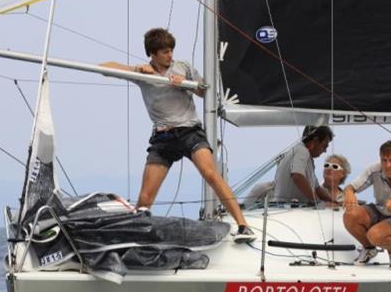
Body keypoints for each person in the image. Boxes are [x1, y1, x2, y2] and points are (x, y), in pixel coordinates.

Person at [101, 27, 255, 243]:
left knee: (210, 173)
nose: (170, 55)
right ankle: (136, 236)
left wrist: (186, 85)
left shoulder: (183, 67)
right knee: (145, 197)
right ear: (152, 54)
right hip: (163, 137)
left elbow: (205, 91)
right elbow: (104, 68)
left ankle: (243, 225)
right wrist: (137, 68)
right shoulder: (143, 73)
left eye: (171, 50)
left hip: (190, 131)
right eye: (164, 52)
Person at [342, 139, 391, 268]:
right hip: (379, 210)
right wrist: (349, 193)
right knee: (350, 215)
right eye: (384, 160)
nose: (388, 165)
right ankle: (369, 249)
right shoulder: (374, 170)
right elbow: (350, 187)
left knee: (375, 235)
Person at [273, 125, 336, 204]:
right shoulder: (302, 151)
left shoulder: (307, 158)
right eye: (325, 146)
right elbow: (297, 176)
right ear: (315, 141)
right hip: (286, 208)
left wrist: (335, 202)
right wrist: (317, 202)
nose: (325, 151)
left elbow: (317, 189)